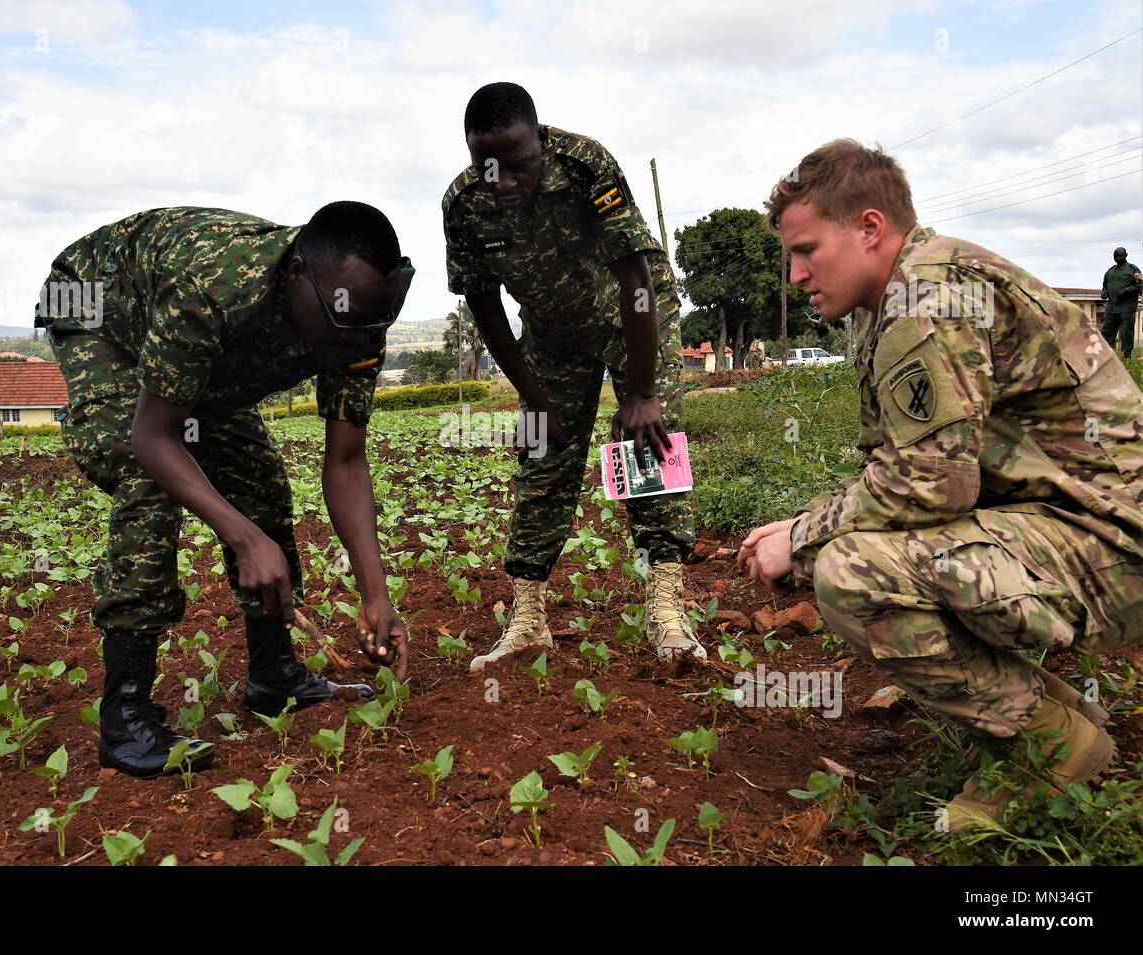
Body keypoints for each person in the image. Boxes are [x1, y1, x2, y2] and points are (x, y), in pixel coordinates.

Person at [740, 139, 1143, 832]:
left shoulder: (929, 296)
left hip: (1114, 549)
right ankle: (1056, 709)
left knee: (851, 574)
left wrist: (801, 541)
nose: (796, 274)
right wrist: (801, 525)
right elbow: (895, 467)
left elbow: (931, 484)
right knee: (859, 543)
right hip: (1072, 526)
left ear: (870, 228)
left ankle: (1048, 743)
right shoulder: (895, 297)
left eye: (806, 249)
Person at [37, 202, 412, 777]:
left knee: (258, 483)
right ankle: (124, 715)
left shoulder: (358, 318)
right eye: (346, 321)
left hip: (204, 349)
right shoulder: (208, 289)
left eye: (374, 322)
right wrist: (241, 538)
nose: (359, 339)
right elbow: (154, 436)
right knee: (152, 483)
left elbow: (345, 462)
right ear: (295, 276)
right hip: (102, 313)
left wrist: (376, 594)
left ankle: (273, 674)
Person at [441, 82, 703, 670]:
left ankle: (667, 609)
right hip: (552, 335)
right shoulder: (462, 206)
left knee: (650, 442)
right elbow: (484, 307)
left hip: (632, 313)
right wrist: (533, 399)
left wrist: (640, 393)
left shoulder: (587, 167)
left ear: (542, 139)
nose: (503, 181)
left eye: (518, 164)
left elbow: (636, 277)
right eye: (487, 167)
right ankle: (529, 618)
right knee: (542, 455)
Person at [1100, 246, 1141, 358]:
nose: (1118, 258)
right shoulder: (1110, 271)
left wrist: (1127, 290)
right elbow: (1104, 286)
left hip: (1127, 308)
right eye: (1116, 256)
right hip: (1111, 308)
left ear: (1126, 255)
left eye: (1120, 256)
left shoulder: (1132, 270)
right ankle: (1107, 356)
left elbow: (1140, 284)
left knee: (1126, 333)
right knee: (1107, 331)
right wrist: (1104, 293)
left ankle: (1127, 355)